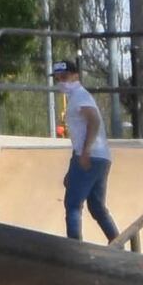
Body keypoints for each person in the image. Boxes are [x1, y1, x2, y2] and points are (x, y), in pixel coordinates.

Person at [53, 55, 119, 245]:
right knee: (97, 207)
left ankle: (75, 249)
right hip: (101, 157)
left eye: (64, 77)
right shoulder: (77, 97)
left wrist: (86, 151)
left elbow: (94, 120)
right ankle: (118, 243)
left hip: (90, 155)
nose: (61, 82)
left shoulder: (80, 96)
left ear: (75, 76)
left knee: (73, 204)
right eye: (58, 79)